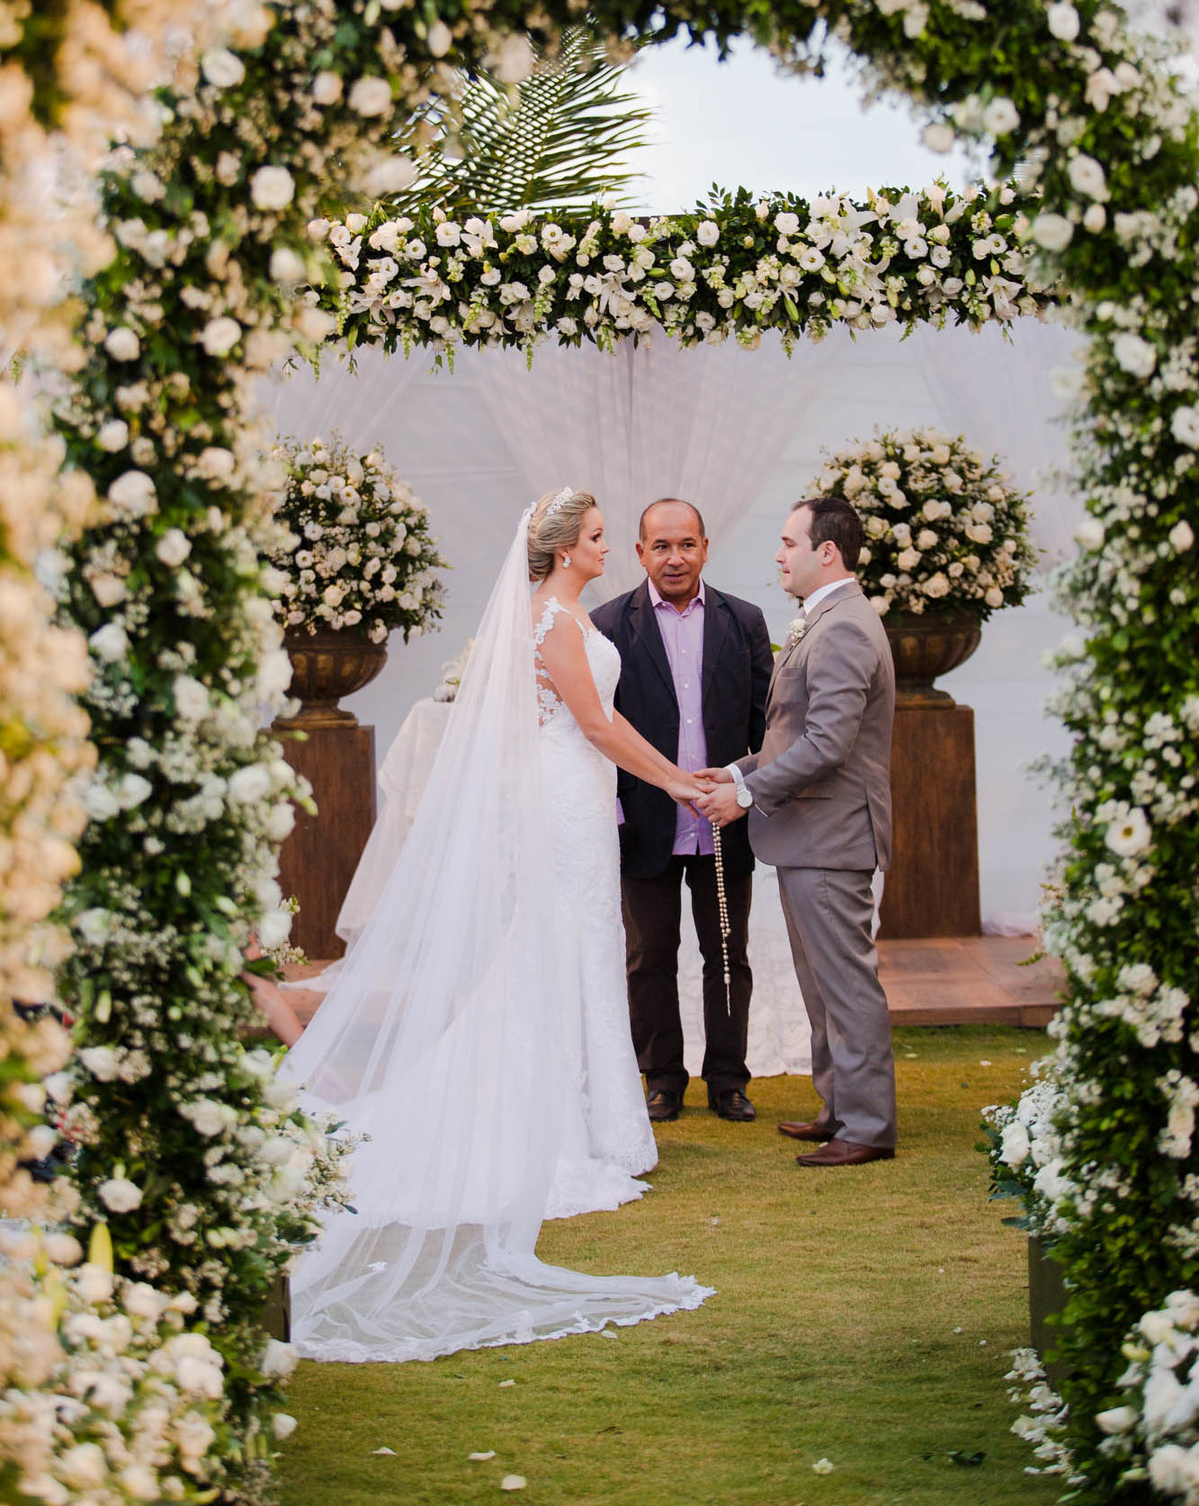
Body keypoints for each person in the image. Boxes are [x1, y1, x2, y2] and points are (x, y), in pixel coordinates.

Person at [281, 488, 711, 1363]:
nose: (607, 549)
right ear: (564, 549)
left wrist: (671, 772)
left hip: (579, 791)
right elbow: (594, 724)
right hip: (562, 794)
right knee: (564, 948)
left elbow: (606, 725)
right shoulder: (550, 620)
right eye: (598, 538)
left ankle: (597, 1122)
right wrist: (674, 780)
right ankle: (565, 1128)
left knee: (583, 949)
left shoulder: (562, 614)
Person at [697, 496, 897, 1169]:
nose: (779, 555)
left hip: (831, 835)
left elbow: (828, 744)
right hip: (810, 834)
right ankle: (839, 1108)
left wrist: (745, 794)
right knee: (821, 987)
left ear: (826, 552)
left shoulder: (843, 628)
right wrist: (735, 769)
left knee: (845, 985)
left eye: (789, 543)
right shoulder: (827, 619)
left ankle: (867, 1126)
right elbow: (792, 735)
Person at [592, 500, 772, 1124]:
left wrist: (746, 793)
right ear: (640, 552)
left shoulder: (743, 621)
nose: (675, 558)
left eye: (687, 545)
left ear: (705, 548)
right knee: (649, 958)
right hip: (645, 821)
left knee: (727, 953)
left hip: (726, 818)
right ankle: (662, 1078)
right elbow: (599, 731)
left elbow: (765, 727)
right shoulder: (607, 626)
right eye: (662, 546)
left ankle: (728, 1080)